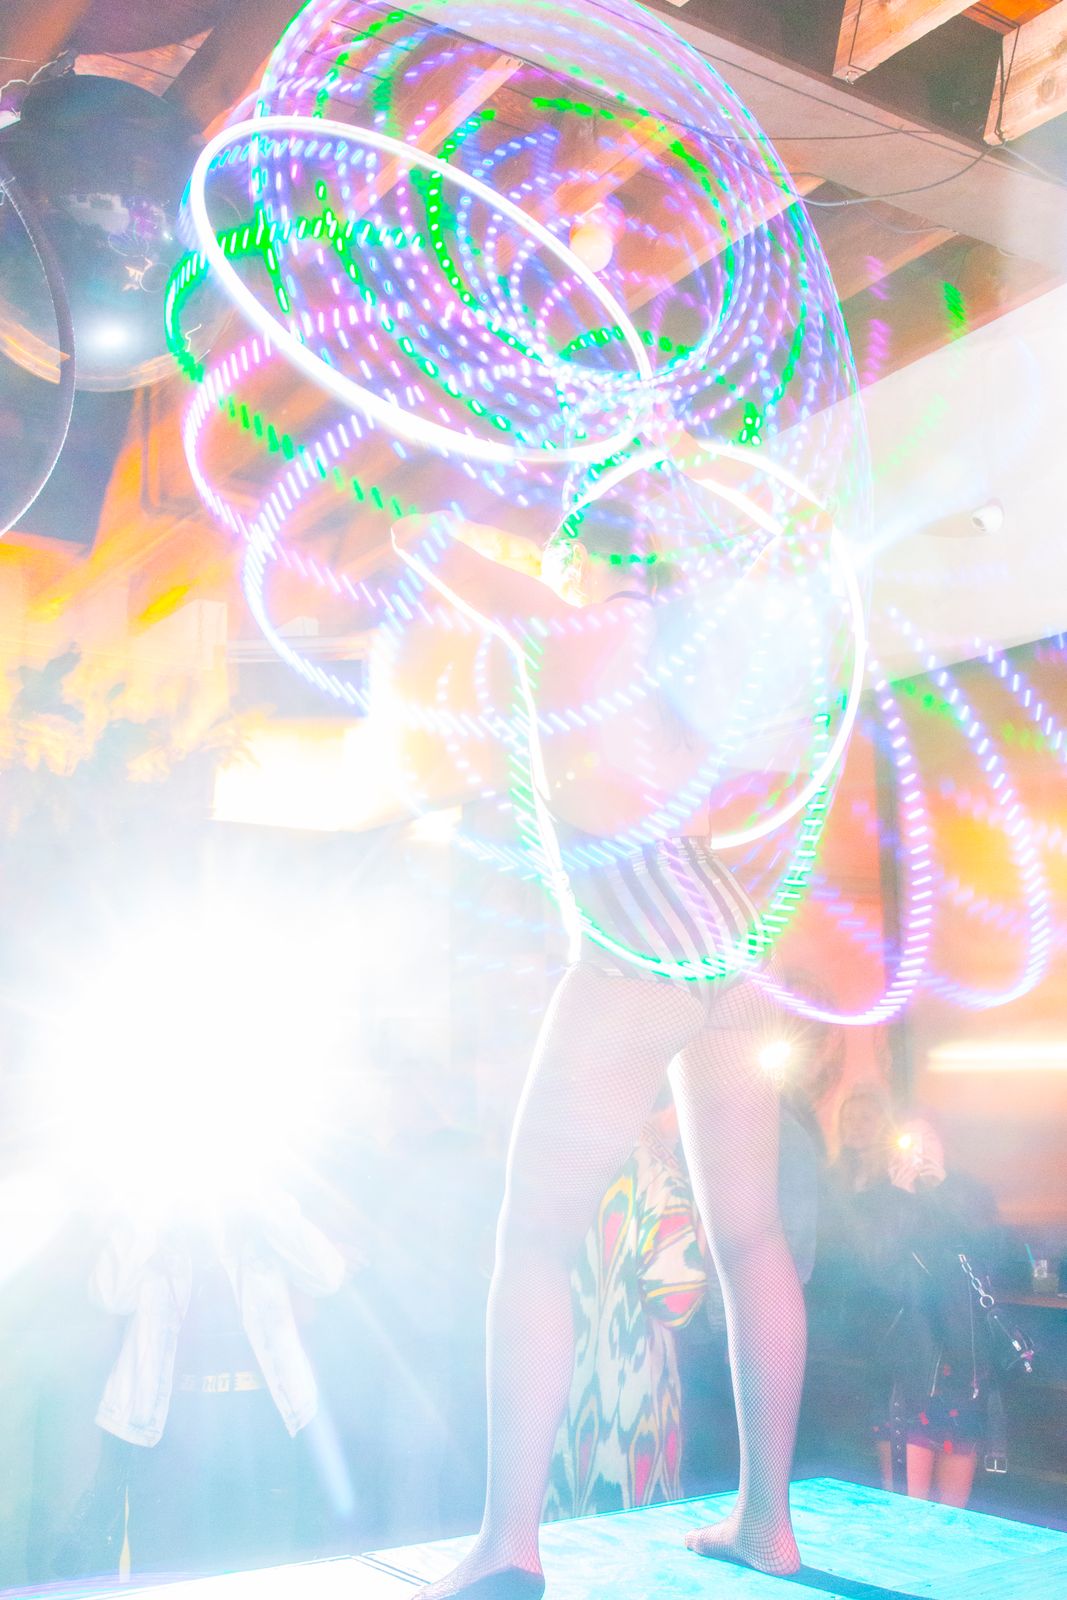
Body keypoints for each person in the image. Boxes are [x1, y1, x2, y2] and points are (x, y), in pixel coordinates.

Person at [390, 464, 815, 1597]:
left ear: (580, 550)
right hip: (732, 944)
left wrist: (507, 518)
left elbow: (412, 540)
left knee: (532, 1244)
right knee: (752, 1234)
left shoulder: (563, 622)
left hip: (635, 955)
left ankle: (506, 1545)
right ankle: (765, 1525)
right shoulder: (694, 652)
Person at [88, 1191, 343, 1576]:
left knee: (255, 1562)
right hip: (171, 1422)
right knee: (167, 1565)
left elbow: (327, 1276)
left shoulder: (259, 1222)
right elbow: (109, 1295)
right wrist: (147, 1208)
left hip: (256, 1420)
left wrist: (263, 1195)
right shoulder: (155, 1223)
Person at [544, 1094, 706, 1520]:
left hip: (555, 1371)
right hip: (630, 1388)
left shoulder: (564, 1157)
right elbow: (676, 1300)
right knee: (630, 1526)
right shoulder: (659, 1174)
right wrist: (703, 1238)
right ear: (676, 1105)